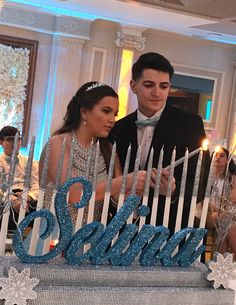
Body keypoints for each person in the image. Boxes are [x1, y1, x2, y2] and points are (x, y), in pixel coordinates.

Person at [110, 52, 208, 234]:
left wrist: (172, 191)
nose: (157, 93)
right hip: (123, 232)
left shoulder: (190, 124)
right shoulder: (117, 129)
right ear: (133, 86)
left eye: (163, 86)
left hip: (171, 231)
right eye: (148, 85)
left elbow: (201, 182)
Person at [40, 81, 156, 225]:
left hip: (92, 240)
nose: (112, 120)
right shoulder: (58, 144)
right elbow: (73, 193)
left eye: (115, 114)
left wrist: (137, 190)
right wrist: (125, 180)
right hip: (52, 238)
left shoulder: (108, 150)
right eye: (106, 111)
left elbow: (118, 201)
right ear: (84, 112)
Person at [0, 126, 39, 232]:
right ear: (1, 142)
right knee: (7, 210)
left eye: (18, 139)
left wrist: (28, 197)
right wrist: (11, 199)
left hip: (26, 197)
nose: (14, 143)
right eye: (10, 140)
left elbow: (37, 185)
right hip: (4, 197)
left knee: (41, 212)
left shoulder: (31, 162)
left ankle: (29, 245)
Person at [206, 147, 236, 257]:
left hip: (225, 214)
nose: (217, 157)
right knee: (226, 220)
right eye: (215, 154)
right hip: (206, 213)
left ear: (228, 160)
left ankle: (220, 261)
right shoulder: (207, 177)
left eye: (222, 155)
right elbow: (203, 201)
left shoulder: (230, 179)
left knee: (226, 225)